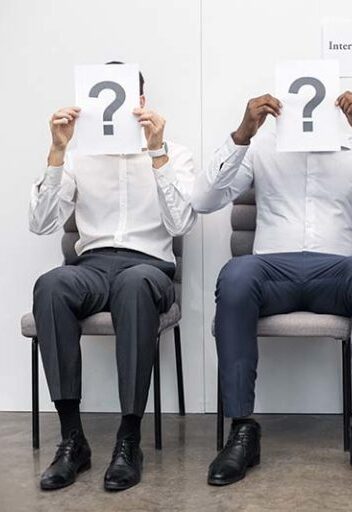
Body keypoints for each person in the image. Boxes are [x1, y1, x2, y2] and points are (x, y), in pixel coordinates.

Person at [192, 91, 352, 488]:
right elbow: (202, 200)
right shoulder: (263, 147)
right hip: (272, 270)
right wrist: (242, 135)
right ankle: (242, 430)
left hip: (335, 270)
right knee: (236, 275)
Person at [29, 62, 198, 491]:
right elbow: (42, 223)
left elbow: (180, 225)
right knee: (51, 284)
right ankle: (73, 439)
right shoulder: (78, 156)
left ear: (139, 102)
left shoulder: (174, 152)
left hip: (149, 268)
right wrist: (57, 152)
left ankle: (128, 438)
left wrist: (157, 152)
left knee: (134, 283)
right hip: (92, 266)